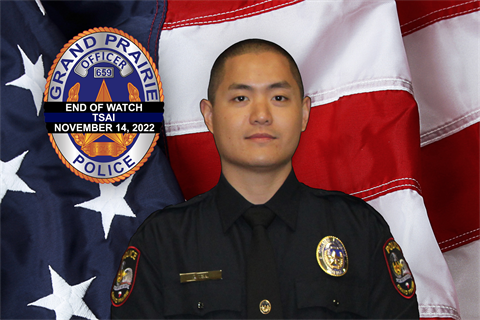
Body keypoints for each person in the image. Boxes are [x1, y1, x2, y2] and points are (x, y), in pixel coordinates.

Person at [110, 39, 420, 319]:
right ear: (209, 115)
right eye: (241, 98)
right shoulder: (162, 241)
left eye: (280, 98)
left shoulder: (360, 231)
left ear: (304, 113)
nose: (261, 115)